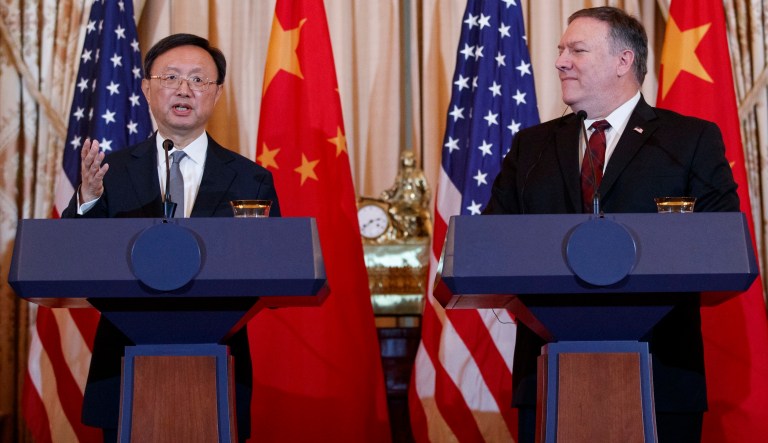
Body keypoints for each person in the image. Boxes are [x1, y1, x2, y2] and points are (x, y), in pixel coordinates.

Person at [483, 7, 738, 443]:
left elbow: (722, 244)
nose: (561, 60)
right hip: (547, 378)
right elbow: (489, 245)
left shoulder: (689, 140)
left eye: (577, 50)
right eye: (561, 49)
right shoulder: (533, 147)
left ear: (623, 61)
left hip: (662, 377)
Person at [62, 33, 280, 442]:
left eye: (199, 80)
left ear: (216, 94)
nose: (184, 89)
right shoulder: (109, 172)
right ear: (146, 88)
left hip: (218, 364)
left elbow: (272, 267)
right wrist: (88, 200)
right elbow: (72, 258)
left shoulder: (250, 178)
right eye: (171, 77)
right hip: (124, 362)